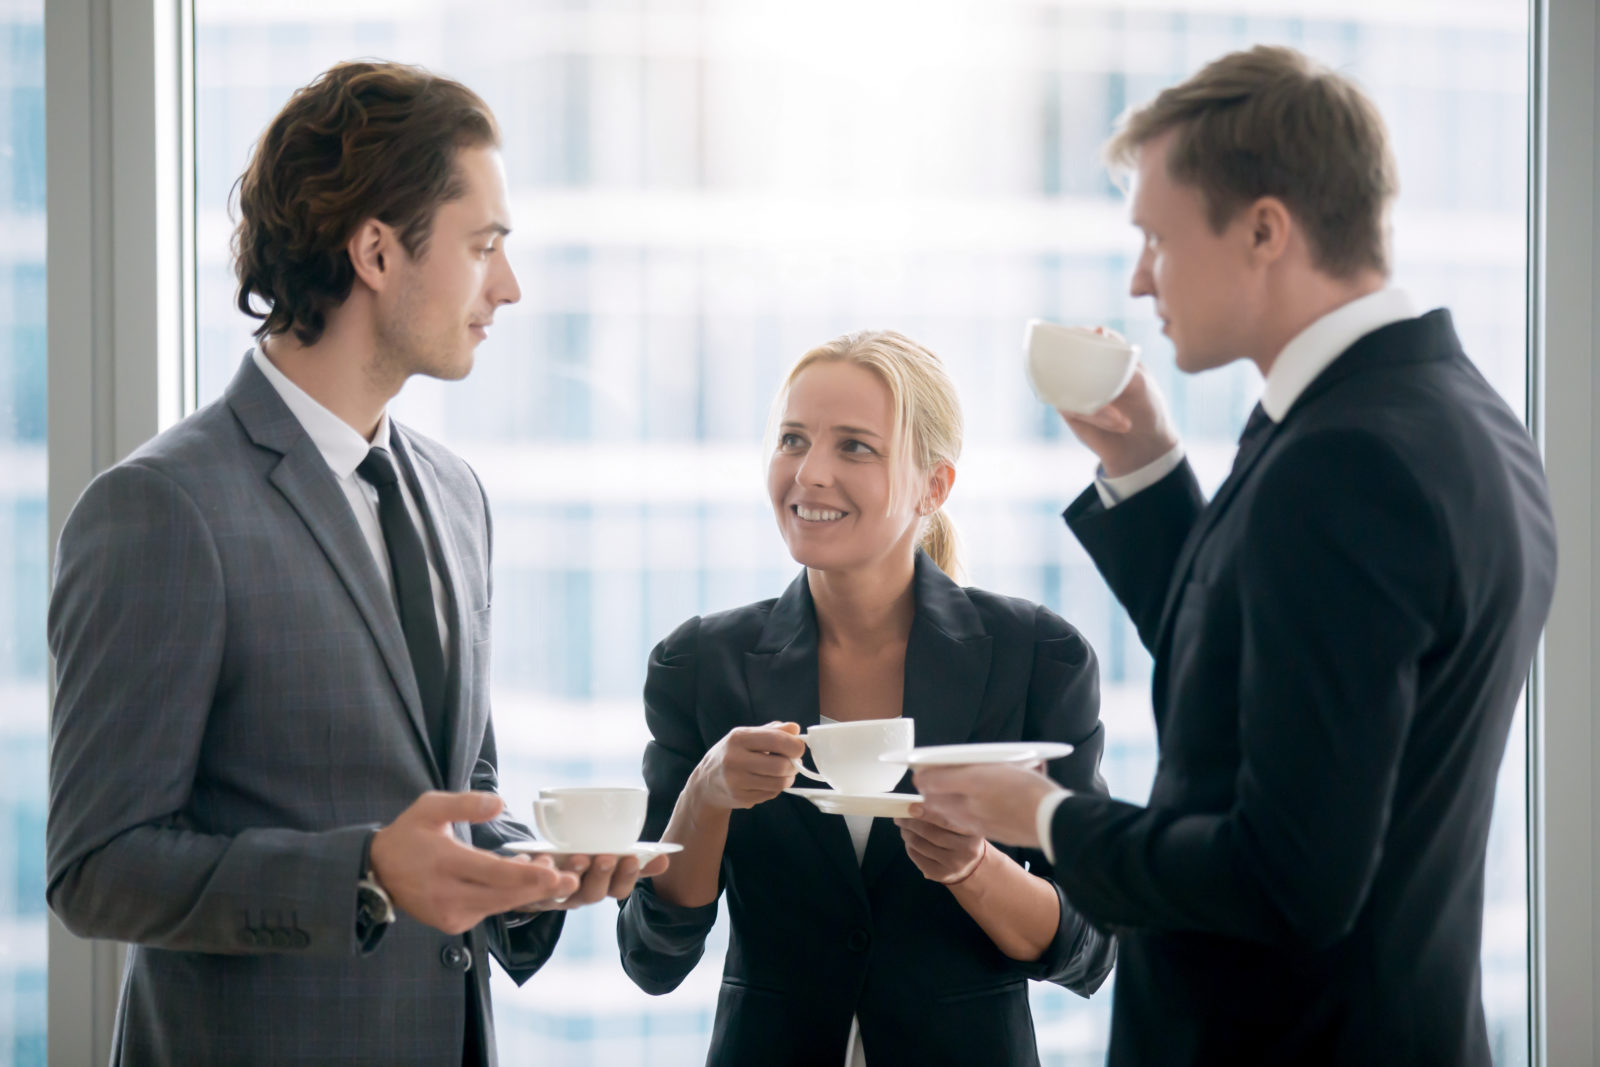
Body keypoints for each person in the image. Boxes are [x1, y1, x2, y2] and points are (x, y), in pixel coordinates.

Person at [912, 45, 1557, 1066]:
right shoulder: (1448, 412)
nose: (1137, 278)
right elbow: (1276, 670)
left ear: (1265, 228)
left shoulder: (1346, 462)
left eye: (1157, 239)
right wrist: (1149, 464)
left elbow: (1285, 875)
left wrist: (1041, 813)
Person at [45, 61, 663, 1066]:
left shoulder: (456, 495)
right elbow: (97, 868)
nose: (507, 285)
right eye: (484, 245)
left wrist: (533, 870)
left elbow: (461, 793)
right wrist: (365, 874)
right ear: (376, 250)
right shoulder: (162, 509)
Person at [615, 330, 1115, 1065]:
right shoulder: (699, 664)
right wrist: (707, 792)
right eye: (793, 439)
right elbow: (653, 956)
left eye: (854, 447)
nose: (810, 472)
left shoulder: (1036, 656)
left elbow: (1090, 948)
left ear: (933, 487)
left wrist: (972, 868)